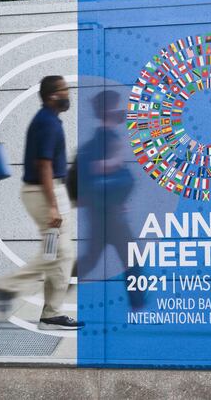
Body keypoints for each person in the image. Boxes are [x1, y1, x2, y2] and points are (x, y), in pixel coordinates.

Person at [0, 76, 81, 330]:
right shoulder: (48, 123)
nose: (68, 94)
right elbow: (44, 165)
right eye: (64, 90)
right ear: (52, 95)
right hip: (46, 193)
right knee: (60, 253)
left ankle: (50, 314)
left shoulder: (47, 120)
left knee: (56, 254)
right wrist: (53, 205)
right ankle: (8, 287)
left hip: (46, 191)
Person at [74, 90, 142, 308]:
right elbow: (93, 171)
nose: (120, 110)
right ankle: (138, 305)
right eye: (116, 106)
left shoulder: (108, 138)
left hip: (105, 213)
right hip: (107, 214)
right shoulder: (103, 140)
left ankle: (60, 284)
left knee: (93, 259)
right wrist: (114, 161)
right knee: (131, 260)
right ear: (107, 111)